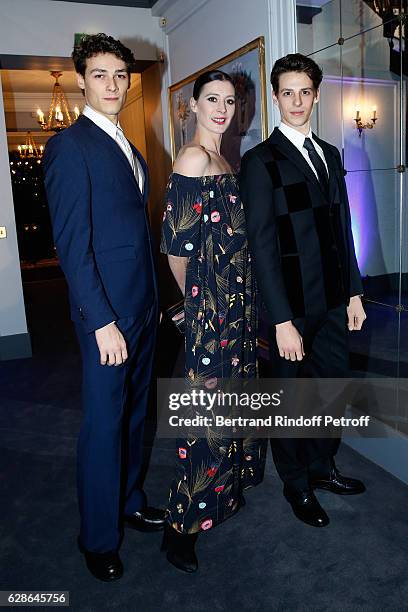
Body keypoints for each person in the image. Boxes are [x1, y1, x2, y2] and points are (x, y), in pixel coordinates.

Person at [43, 33, 166, 582]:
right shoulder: (70, 146)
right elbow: (73, 245)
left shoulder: (129, 144)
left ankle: (131, 500)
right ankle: (97, 536)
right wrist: (102, 323)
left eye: (120, 75)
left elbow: (134, 235)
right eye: (100, 75)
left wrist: (155, 302)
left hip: (141, 308)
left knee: (137, 415)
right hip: (107, 321)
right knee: (103, 425)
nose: (112, 85)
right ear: (81, 80)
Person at [240, 53, 366, 529]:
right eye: (286, 92)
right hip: (290, 310)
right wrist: (280, 320)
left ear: (316, 95)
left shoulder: (331, 154)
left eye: (304, 91)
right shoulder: (259, 162)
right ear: (275, 98)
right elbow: (262, 248)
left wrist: (353, 292)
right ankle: (297, 485)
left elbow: (342, 227)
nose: (296, 101)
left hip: (334, 302)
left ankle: (322, 467)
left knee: (332, 392)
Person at [160, 70, 265, 572]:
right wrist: (197, 307)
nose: (222, 109)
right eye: (212, 100)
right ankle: (178, 529)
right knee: (204, 422)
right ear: (193, 106)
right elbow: (176, 249)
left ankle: (222, 497)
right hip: (211, 313)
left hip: (237, 310)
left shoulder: (226, 158)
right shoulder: (193, 157)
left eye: (230, 101)